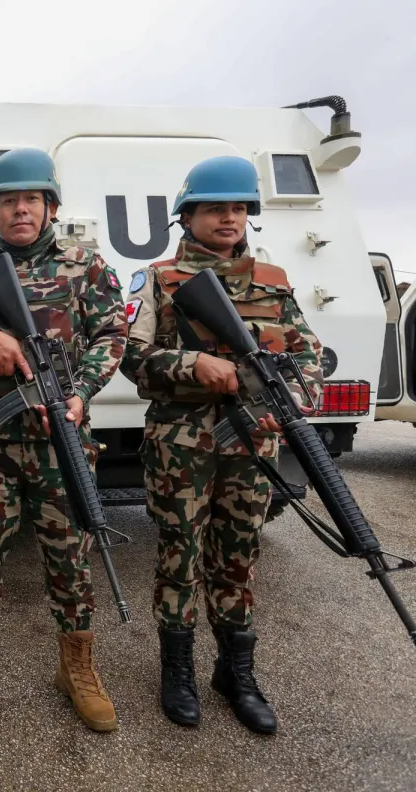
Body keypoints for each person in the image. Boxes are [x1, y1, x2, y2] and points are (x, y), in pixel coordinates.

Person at [0, 147, 127, 732]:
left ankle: (76, 667)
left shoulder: (87, 268)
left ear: (50, 207)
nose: (20, 210)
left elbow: (113, 334)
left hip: (61, 438)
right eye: (9, 201)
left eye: (31, 199)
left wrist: (80, 393)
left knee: (70, 556)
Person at [119, 155, 323, 734]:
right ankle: (178, 672)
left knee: (238, 557)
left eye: (238, 208)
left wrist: (294, 400)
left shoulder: (274, 281)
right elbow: (131, 356)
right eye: (215, 208)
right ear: (187, 217)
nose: (229, 218)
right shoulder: (159, 279)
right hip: (181, 443)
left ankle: (236, 674)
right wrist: (193, 364)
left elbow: (308, 355)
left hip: (252, 444)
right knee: (180, 554)